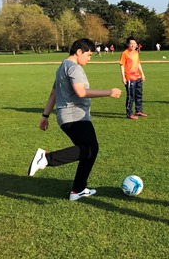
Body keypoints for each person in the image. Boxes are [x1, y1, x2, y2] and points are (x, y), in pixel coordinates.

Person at [27, 38, 122, 201]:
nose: (90, 58)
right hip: (75, 116)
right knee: (89, 149)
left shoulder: (62, 67)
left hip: (67, 117)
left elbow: (53, 94)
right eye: (89, 54)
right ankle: (46, 158)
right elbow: (81, 92)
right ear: (79, 52)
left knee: (90, 150)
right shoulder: (74, 67)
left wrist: (45, 116)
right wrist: (109, 92)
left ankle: (78, 190)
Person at [120, 36, 147, 120]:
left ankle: (138, 110)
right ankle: (129, 113)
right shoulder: (125, 53)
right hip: (129, 78)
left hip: (137, 77)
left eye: (134, 43)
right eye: (131, 43)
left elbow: (138, 63)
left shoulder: (136, 53)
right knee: (131, 96)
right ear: (128, 44)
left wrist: (142, 74)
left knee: (139, 94)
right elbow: (122, 65)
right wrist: (123, 77)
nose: (133, 45)